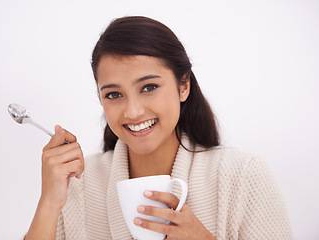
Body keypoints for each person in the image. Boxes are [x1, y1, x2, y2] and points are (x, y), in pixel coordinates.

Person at [23, 16, 293, 240]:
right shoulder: (79, 182)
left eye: (149, 87)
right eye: (114, 94)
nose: (133, 111)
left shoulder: (243, 176)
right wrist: (49, 203)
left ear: (183, 85)